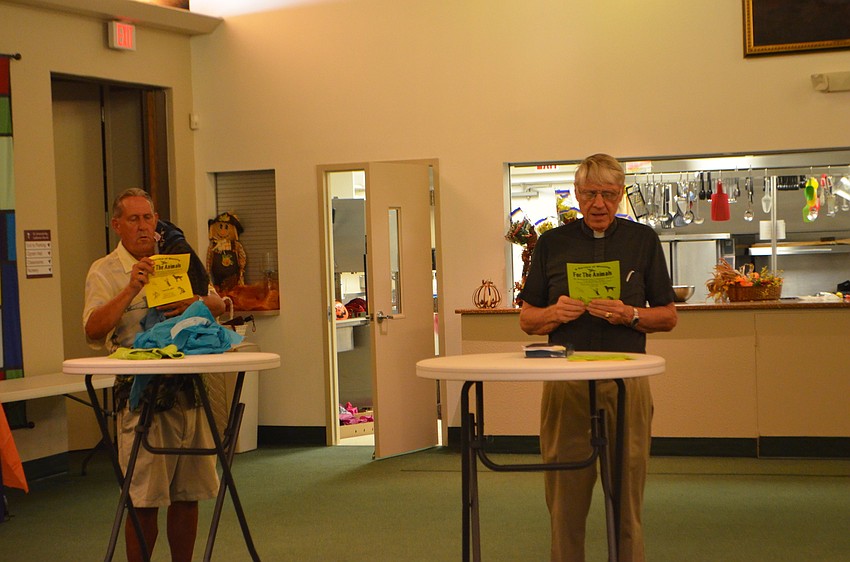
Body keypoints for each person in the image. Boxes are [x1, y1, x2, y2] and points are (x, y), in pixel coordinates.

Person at [519, 154, 677, 562]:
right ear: (577, 194)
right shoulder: (552, 244)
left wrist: (632, 314)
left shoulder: (643, 241)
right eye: (590, 194)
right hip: (565, 383)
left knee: (626, 495)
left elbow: (668, 316)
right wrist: (553, 313)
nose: (599, 204)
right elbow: (527, 319)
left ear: (621, 195)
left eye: (608, 194)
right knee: (564, 500)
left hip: (627, 383)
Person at [83, 188, 226, 562]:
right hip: (142, 395)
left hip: (188, 388)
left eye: (148, 218)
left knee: (188, 493)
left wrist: (197, 302)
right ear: (117, 225)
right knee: (143, 498)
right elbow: (93, 330)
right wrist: (132, 287)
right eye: (134, 219)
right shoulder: (104, 270)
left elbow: (220, 304)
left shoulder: (176, 261)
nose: (144, 227)